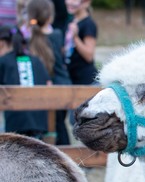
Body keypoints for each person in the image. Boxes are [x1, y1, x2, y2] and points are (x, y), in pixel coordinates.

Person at [27, 0, 72, 145]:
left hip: (41, 87)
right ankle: (65, 155)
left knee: (47, 126)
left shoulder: (29, 37)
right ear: (50, 16)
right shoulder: (57, 34)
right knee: (59, 125)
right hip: (61, 85)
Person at [0, 25, 50, 139]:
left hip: (15, 125)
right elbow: (48, 84)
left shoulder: (3, 61)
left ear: (1, 43)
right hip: (39, 123)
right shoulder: (36, 60)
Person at [64, 0, 98, 85]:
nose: (70, 2)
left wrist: (75, 37)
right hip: (73, 77)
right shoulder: (71, 20)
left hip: (86, 81)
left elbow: (89, 55)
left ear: (86, 3)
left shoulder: (88, 24)